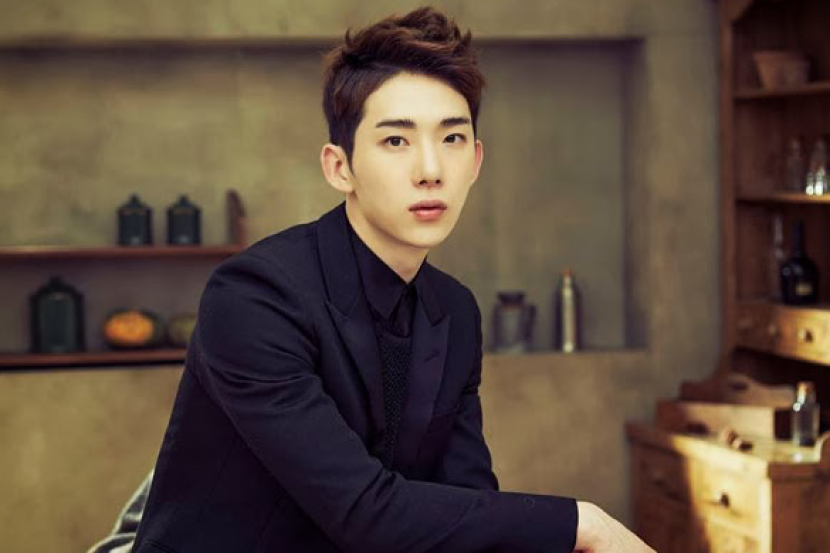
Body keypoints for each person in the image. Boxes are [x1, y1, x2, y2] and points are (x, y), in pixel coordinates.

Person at [97, 7, 653, 553]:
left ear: (476, 161)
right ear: (339, 167)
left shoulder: (454, 311)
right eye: (396, 141)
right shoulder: (254, 297)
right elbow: (363, 512)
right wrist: (581, 523)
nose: (431, 170)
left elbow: (468, 503)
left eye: (452, 139)